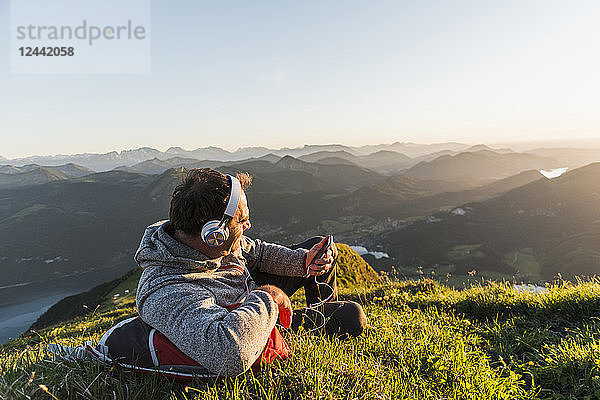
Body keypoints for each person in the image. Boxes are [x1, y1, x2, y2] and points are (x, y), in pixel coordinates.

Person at [128, 168, 366, 377]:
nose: (248, 226)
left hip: (248, 297)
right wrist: (268, 297)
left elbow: (258, 252)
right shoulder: (165, 289)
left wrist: (304, 262)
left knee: (317, 246)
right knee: (352, 316)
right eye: (241, 220)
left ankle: (319, 312)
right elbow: (228, 355)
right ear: (211, 230)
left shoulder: (217, 243)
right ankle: (302, 327)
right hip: (250, 321)